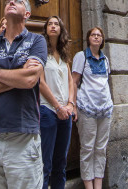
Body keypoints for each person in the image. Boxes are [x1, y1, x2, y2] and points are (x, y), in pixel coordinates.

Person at [0, 0, 47, 189]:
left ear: (27, 14)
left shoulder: (37, 41)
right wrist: (19, 76)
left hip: (23, 135)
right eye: (8, 1)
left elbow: (30, 79)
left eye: (18, 1)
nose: (11, 2)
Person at [71, 27, 113, 189]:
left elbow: (105, 83)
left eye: (99, 35)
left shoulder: (105, 59)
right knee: (87, 148)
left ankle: (98, 184)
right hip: (86, 108)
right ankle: (88, 185)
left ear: (102, 40)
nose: (96, 37)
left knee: (101, 149)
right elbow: (74, 82)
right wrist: (73, 105)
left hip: (105, 109)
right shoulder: (81, 57)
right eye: (93, 35)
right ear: (88, 38)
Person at [38, 16, 76, 189]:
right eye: (50, 24)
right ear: (45, 29)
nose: (53, 26)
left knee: (61, 162)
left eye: (56, 24)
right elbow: (40, 82)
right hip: (48, 111)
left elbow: (71, 82)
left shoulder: (63, 54)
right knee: (45, 162)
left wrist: (71, 104)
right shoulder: (40, 52)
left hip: (65, 112)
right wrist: (57, 106)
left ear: (61, 29)